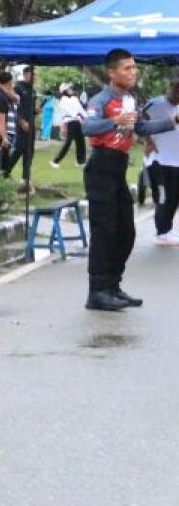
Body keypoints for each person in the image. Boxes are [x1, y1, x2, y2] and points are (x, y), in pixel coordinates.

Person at [80, 49, 179, 311]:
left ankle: (112, 285)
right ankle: (97, 291)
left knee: (126, 231)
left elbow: (141, 128)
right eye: (127, 68)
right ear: (112, 72)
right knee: (104, 231)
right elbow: (88, 127)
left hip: (118, 169)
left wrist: (173, 120)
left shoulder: (129, 100)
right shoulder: (101, 100)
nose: (133, 72)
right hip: (101, 167)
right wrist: (114, 121)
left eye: (134, 67)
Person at [142, 79, 179, 246]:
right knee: (163, 196)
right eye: (176, 90)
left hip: (176, 160)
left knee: (174, 197)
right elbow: (139, 121)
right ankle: (161, 232)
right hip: (158, 159)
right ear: (170, 88)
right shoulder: (155, 104)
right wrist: (148, 140)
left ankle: (167, 230)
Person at [5, 66, 37, 186]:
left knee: (29, 151)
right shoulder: (18, 87)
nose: (34, 77)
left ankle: (25, 177)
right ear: (26, 74)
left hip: (31, 123)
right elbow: (14, 107)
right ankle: (6, 171)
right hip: (21, 124)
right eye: (32, 74)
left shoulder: (32, 89)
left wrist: (35, 110)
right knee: (19, 149)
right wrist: (21, 121)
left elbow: (30, 107)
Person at [51, 83, 86, 167]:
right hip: (69, 122)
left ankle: (81, 161)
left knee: (81, 140)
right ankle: (55, 161)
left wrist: (87, 117)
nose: (71, 89)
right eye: (69, 88)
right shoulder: (63, 100)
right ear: (64, 91)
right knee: (68, 142)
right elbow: (70, 111)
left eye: (70, 88)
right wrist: (78, 117)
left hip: (77, 121)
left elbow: (80, 109)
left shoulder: (74, 98)